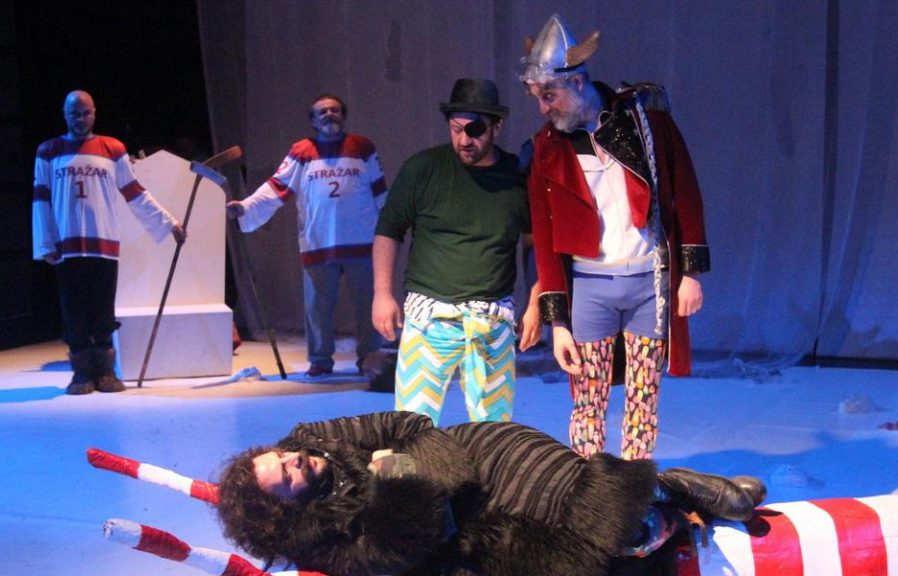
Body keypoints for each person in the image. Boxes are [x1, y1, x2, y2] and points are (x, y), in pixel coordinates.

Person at [216, 411, 765, 576]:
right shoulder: (323, 543)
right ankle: (665, 502)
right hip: (475, 527)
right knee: (617, 541)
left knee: (575, 491)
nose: (292, 460)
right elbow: (397, 547)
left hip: (478, 451)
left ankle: (669, 487)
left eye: (279, 457)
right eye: (285, 478)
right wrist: (397, 475)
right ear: (288, 510)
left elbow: (409, 424)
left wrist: (414, 475)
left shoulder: (312, 437)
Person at [518, 15, 710, 459]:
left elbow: (685, 190)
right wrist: (558, 323)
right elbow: (545, 238)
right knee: (588, 397)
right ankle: (590, 482)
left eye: (549, 95)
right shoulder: (547, 147)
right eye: (537, 97)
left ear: (577, 81)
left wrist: (691, 274)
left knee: (643, 399)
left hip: (648, 283)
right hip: (590, 287)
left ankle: (635, 482)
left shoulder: (644, 122)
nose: (543, 108)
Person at [372, 78, 540, 424]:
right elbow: (389, 230)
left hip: (492, 318)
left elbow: (534, 243)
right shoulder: (423, 169)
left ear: (497, 127)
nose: (464, 140)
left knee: (493, 430)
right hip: (429, 318)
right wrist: (382, 294)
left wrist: (536, 302)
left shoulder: (517, 176)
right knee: (411, 426)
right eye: (456, 129)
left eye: (475, 130)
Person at [32, 90, 186, 395]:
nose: (80, 119)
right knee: (74, 310)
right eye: (74, 114)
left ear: (94, 113)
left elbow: (134, 192)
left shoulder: (112, 148)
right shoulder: (49, 151)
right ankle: (81, 374)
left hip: (103, 243)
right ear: (65, 115)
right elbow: (41, 199)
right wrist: (45, 243)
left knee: (103, 310)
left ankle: (104, 372)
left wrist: (169, 222)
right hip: (67, 247)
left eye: (85, 113)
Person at [227, 94, 385, 378]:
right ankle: (320, 359)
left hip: (361, 242)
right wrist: (246, 207)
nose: (329, 115)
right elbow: (276, 187)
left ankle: (370, 357)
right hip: (318, 242)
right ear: (313, 120)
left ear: (343, 115)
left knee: (367, 305)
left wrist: (392, 227)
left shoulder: (362, 147)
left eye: (335, 110)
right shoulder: (301, 151)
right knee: (317, 308)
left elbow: (380, 191)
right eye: (322, 112)